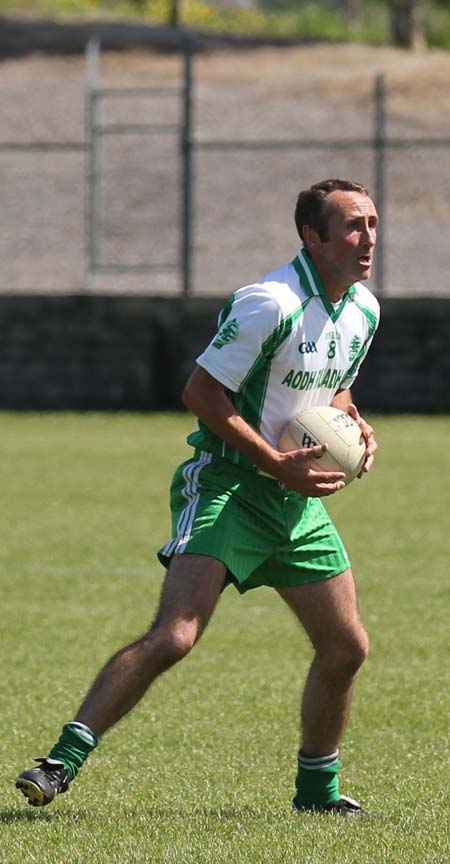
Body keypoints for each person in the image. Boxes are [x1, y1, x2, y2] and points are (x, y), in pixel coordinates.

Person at [16, 178, 380, 816]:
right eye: (352, 225)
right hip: (228, 484)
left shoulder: (363, 310)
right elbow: (201, 394)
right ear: (312, 237)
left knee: (347, 646)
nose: (368, 237)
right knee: (175, 636)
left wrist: (354, 428)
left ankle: (316, 795)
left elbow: (335, 395)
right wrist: (273, 461)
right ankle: (58, 764)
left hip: (293, 500)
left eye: (373, 223)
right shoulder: (269, 302)